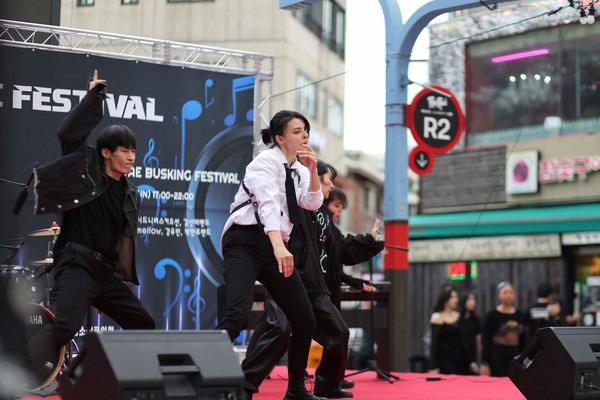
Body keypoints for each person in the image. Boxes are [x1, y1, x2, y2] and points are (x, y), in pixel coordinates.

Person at [26, 70, 155, 387]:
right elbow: (69, 135)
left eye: (133, 151)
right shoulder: (86, 172)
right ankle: (15, 368)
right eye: (124, 150)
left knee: (144, 324)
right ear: (106, 152)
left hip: (104, 273)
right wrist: (93, 98)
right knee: (65, 325)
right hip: (77, 262)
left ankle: (125, 380)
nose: (131, 157)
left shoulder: (129, 192)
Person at [217, 110, 324, 400]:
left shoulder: (299, 169)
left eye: (306, 130)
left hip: (274, 246)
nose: (304, 135)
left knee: (304, 319)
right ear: (279, 137)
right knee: (237, 315)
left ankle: (296, 390)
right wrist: (279, 246)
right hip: (245, 241)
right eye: (297, 131)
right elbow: (267, 204)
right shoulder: (263, 163)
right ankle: (208, 383)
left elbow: (311, 202)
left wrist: (313, 170)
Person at [241, 160, 353, 399]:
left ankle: (325, 385)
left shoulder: (324, 216)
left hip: (314, 284)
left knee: (339, 331)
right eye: (327, 181)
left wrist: (371, 243)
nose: (331, 186)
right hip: (287, 276)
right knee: (278, 330)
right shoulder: (295, 202)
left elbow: (342, 249)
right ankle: (244, 386)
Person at [481, 281, 526, 377]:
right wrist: (485, 362)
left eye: (511, 292)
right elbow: (486, 339)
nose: (508, 295)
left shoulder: (520, 314)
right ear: (499, 295)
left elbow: (523, 339)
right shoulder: (492, 315)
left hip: (515, 354)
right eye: (505, 292)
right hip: (497, 355)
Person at [428, 288, 476, 375]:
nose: (456, 300)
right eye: (452, 297)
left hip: (459, 357)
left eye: (456, 297)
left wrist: (471, 361)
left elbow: (463, 341)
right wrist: (432, 366)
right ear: (445, 299)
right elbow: (434, 344)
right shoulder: (437, 317)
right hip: (444, 358)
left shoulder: (458, 316)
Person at [458, 291, 482, 373]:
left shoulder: (476, 319)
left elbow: (478, 341)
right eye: (469, 299)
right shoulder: (457, 317)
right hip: (458, 354)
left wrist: (481, 360)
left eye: (474, 300)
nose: (473, 302)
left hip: (472, 355)